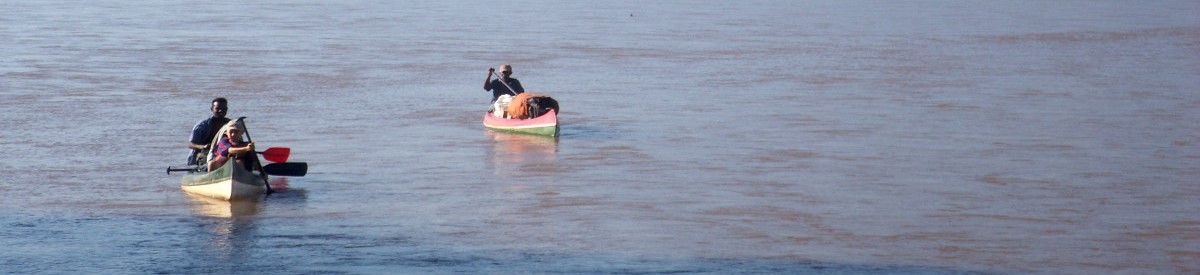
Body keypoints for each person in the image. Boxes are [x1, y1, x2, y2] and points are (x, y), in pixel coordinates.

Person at [187, 98, 231, 166]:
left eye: (224, 109)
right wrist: (203, 146)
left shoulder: (231, 124)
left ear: (227, 109)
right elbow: (190, 144)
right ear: (212, 109)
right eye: (217, 108)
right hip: (204, 154)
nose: (221, 111)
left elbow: (238, 141)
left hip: (225, 153)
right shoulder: (202, 125)